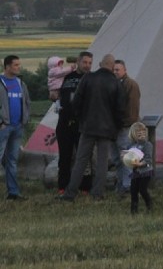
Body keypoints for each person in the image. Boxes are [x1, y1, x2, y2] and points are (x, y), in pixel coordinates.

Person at [59, 53, 126, 202]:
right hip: (106, 129)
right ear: (112, 66)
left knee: (80, 160)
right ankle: (97, 193)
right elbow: (120, 109)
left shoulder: (88, 78)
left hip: (88, 127)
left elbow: (76, 101)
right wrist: (116, 127)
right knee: (102, 162)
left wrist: (81, 118)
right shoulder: (116, 83)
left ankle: (70, 193)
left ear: (101, 64)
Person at [56, 50, 94, 194]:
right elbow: (55, 92)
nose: (87, 65)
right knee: (65, 156)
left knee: (84, 156)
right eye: (84, 62)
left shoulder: (92, 78)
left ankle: (85, 186)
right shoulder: (66, 77)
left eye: (90, 63)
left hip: (83, 122)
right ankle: (63, 186)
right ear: (78, 62)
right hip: (64, 121)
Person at [0, 54, 30, 201]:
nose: (19, 67)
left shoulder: (20, 83)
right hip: (3, 127)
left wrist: (24, 120)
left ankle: (13, 192)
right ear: (7, 66)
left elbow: (26, 102)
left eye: (19, 64)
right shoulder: (1, 82)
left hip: (17, 126)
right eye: (16, 65)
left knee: (12, 160)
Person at [113, 58, 141, 196]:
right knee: (118, 159)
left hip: (125, 127)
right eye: (114, 69)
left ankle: (128, 185)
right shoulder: (119, 84)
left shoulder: (130, 85)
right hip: (118, 127)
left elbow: (131, 109)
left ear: (125, 70)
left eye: (118, 69)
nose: (115, 72)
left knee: (126, 158)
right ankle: (122, 183)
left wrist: (124, 123)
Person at [125, 121, 153, 215]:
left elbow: (148, 159)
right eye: (139, 133)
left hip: (146, 171)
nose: (142, 135)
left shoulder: (147, 145)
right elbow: (128, 156)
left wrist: (140, 164)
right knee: (133, 190)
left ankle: (149, 205)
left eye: (143, 132)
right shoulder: (131, 145)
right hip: (136, 171)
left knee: (142, 189)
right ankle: (133, 210)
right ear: (133, 134)